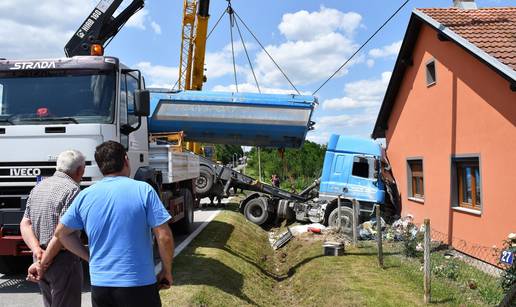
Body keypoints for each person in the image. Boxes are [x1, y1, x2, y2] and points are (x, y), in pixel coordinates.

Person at [53, 141, 174, 307]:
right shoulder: (143, 190)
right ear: (126, 160)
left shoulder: (85, 195)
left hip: (101, 285)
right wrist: (167, 271)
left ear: (100, 166)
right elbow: (164, 235)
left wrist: (89, 257)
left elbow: (61, 233)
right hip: (138, 283)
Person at [20, 150, 86, 307]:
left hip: (39, 257)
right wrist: (44, 263)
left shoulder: (39, 187)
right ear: (79, 170)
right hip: (62, 260)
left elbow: (25, 224)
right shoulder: (73, 190)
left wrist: (37, 252)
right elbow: (62, 233)